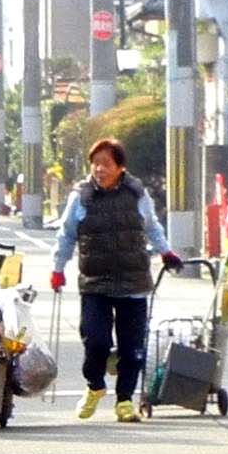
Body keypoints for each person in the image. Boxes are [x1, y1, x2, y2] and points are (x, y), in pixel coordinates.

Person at [49, 138, 183, 423]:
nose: (99, 169)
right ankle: (95, 386)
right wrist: (57, 268)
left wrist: (167, 251)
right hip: (95, 282)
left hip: (133, 283)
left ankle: (124, 400)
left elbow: (152, 227)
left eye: (106, 164)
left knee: (132, 348)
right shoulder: (81, 197)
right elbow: (66, 235)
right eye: (95, 163)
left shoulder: (136, 194)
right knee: (95, 341)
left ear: (120, 167)